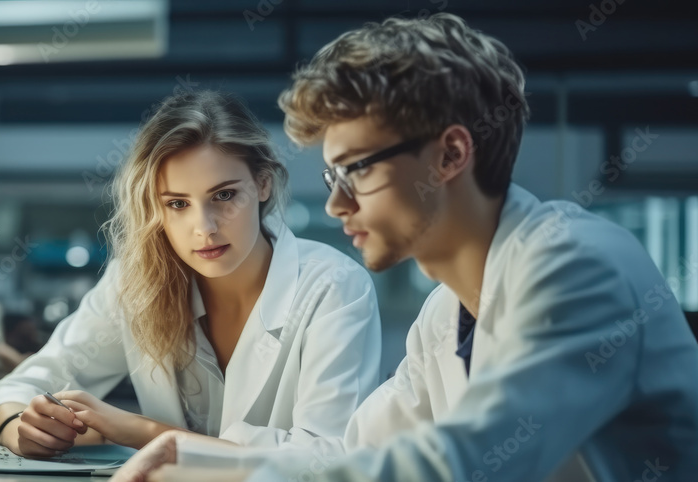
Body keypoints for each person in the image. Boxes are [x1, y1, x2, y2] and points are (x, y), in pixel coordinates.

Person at [113, 13, 698, 482]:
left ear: (450, 154)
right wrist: (188, 460)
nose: (339, 206)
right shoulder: (445, 315)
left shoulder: (576, 265)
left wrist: (207, 468)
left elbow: (460, 465)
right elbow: (349, 452)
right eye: (331, 179)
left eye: (357, 172)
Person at [0, 90, 383, 458]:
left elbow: (327, 460)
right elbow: (24, 385)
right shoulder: (135, 283)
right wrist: (19, 428)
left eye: (224, 195)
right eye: (177, 203)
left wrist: (144, 432)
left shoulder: (332, 288)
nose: (204, 227)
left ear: (263, 183)